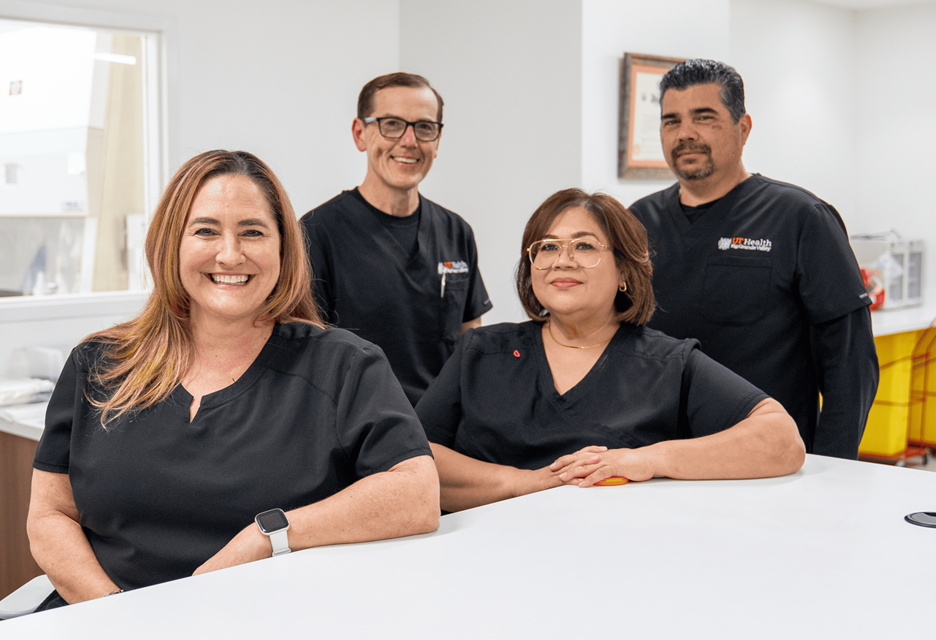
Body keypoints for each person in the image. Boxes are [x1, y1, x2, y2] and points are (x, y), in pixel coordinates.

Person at [27, 150, 439, 610]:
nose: (230, 254)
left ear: (283, 247)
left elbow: (416, 493)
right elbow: (51, 514)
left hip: (263, 619)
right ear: (171, 243)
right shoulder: (99, 363)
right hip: (98, 619)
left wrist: (269, 534)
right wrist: (115, 612)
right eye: (205, 230)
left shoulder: (343, 365)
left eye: (253, 232)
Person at [415, 189, 805, 513]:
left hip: (616, 567)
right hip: (478, 562)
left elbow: (781, 440)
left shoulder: (666, 364)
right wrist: (522, 483)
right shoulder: (481, 352)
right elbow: (414, 455)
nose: (562, 260)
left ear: (623, 271)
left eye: (584, 246)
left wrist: (646, 460)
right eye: (547, 247)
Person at [628, 59, 878, 460]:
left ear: (742, 129)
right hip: (655, 459)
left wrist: (831, 470)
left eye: (704, 117)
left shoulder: (800, 218)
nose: (685, 134)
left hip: (767, 464)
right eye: (671, 121)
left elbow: (850, 364)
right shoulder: (634, 223)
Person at [301, 72, 492, 407]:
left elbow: (470, 349)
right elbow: (307, 355)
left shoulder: (456, 231)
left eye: (424, 127)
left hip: (444, 430)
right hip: (359, 429)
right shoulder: (317, 232)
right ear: (360, 134)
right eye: (391, 124)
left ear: (437, 140)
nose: (409, 141)